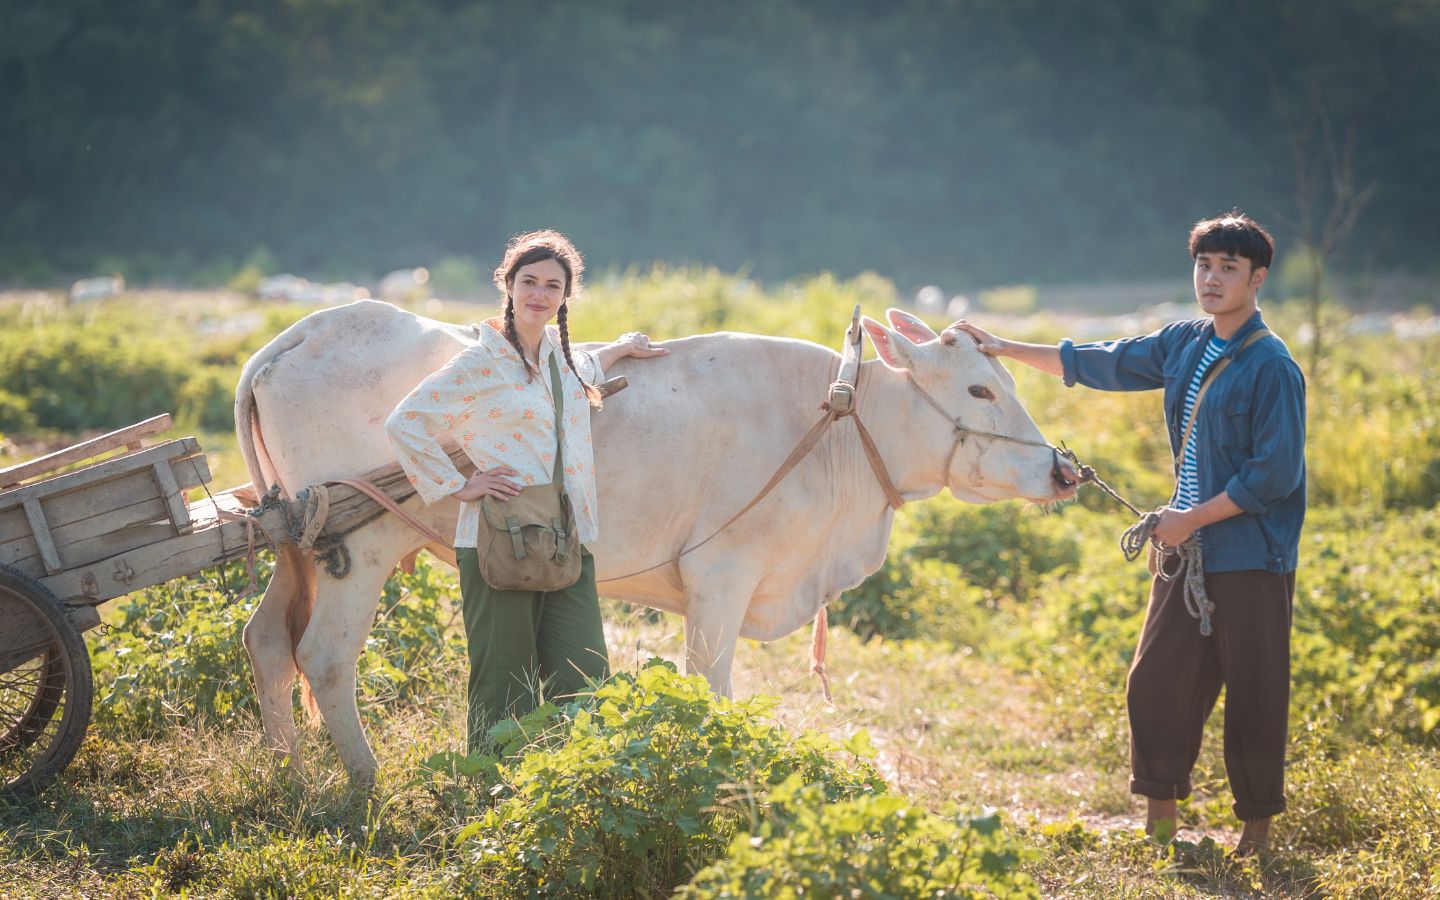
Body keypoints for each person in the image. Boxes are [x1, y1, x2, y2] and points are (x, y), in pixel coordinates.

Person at [951, 212, 1305, 855]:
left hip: (1251, 554)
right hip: (1186, 547)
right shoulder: (1185, 343)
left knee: (1255, 689)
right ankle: (1161, 827)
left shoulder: (1273, 367)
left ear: (1258, 279)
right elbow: (1102, 362)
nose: (1212, 278)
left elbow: (1273, 476)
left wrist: (1186, 520)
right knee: (1155, 680)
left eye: (1229, 268)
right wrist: (1004, 348)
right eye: (1204, 265)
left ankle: (1257, 834)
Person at [385, 229, 667, 752]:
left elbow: (587, 369)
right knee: (503, 683)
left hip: (565, 534)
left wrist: (624, 347)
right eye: (529, 281)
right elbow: (406, 421)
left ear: (565, 297)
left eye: (552, 286)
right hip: (500, 536)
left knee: (584, 675)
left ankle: (575, 790)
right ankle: (493, 790)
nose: (539, 294)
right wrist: (458, 485)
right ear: (508, 285)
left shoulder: (563, 359)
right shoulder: (480, 363)